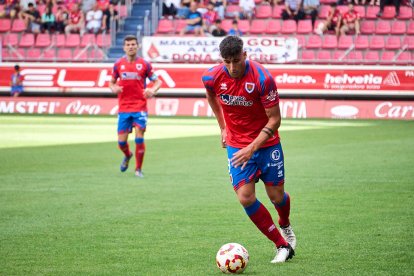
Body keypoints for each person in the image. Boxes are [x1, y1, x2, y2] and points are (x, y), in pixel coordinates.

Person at [201, 36, 296, 263]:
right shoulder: (211, 76)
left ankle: (285, 224)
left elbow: (275, 120)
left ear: (245, 55)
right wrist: (223, 127)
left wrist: (252, 148)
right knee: (245, 197)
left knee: (276, 196)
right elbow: (211, 95)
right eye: (227, 62)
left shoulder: (263, 78)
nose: (232, 67)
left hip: (266, 143)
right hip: (236, 144)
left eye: (236, 60)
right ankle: (282, 245)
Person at [109, 35, 162, 178]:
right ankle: (127, 155)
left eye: (133, 44)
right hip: (124, 108)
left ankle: (138, 169)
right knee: (121, 142)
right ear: (124, 47)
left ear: (137, 46)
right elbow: (111, 82)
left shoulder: (145, 64)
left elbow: (158, 82)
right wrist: (113, 88)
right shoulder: (118, 64)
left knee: (139, 137)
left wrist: (152, 90)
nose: (131, 46)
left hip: (140, 107)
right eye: (128, 44)